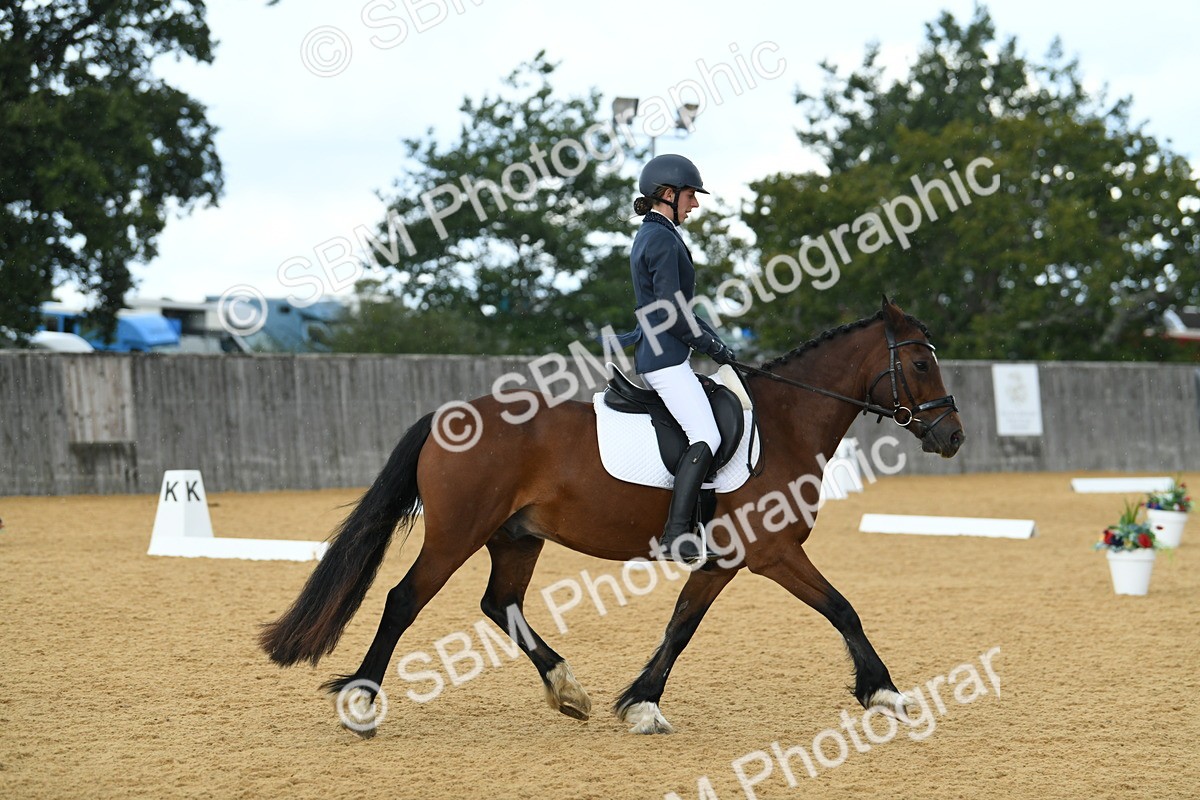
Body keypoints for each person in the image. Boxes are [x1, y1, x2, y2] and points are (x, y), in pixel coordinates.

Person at [616, 154, 736, 563]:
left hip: (665, 354)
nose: (695, 204)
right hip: (664, 359)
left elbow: (679, 306)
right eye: (689, 196)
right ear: (667, 195)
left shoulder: (653, 234)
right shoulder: (663, 239)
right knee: (708, 435)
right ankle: (676, 535)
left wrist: (712, 337)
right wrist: (710, 346)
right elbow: (670, 308)